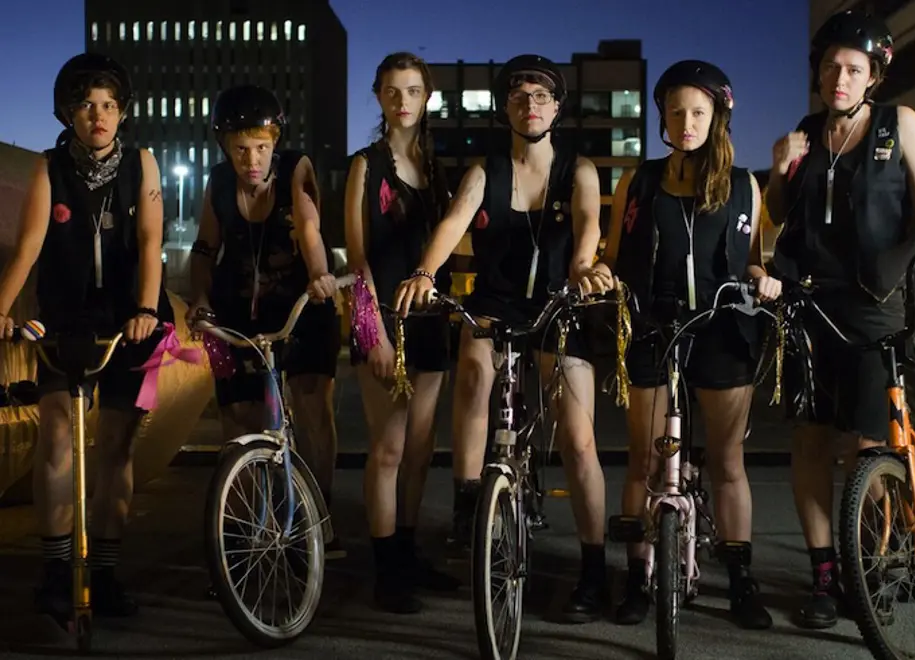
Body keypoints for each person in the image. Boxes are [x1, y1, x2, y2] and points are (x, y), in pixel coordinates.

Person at [764, 9, 915, 629]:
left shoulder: (898, 124)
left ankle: (874, 559)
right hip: (809, 302)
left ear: (874, 75)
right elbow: (776, 216)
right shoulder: (805, 133)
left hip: (875, 305)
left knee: (867, 444)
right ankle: (826, 572)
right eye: (831, 67)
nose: (840, 79)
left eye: (853, 69)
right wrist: (779, 167)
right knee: (809, 439)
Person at [395, 54, 615, 622]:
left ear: (557, 108)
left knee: (579, 440)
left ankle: (594, 571)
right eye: (519, 97)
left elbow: (588, 226)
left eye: (541, 97)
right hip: (495, 303)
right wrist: (424, 273)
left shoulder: (578, 170)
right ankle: (469, 502)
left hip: (560, 304)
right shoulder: (484, 171)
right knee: (473, 369)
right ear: (505, 109)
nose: (530, 105)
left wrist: (584, 267)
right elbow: (454, 221)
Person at [603, 60, 779, 630]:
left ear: (717, 116)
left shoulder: (744, 185)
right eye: (676, 112)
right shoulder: (638, 182)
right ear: (662, 116)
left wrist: (764, 279)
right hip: (653, 328)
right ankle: (637, 575)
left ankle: (740, 579)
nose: (686, 123)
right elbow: (613, 255)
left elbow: (754, 260)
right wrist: (600, 275)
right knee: (646, 460)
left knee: (727, 462)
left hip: (724, 331)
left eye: (698, 112)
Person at [0, 53, 173, 621]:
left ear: (122, 113)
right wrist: (0, 308)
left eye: (108, 105)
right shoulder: (50, 167)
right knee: (55, 437)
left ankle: (105, 572)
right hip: (67, 318)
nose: (98, 116)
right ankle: (56, 571)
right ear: (68, 114)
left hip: (129, 319)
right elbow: (29, 246)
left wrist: (145, 307)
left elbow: (150, 242)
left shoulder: (142, 163)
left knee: (117, 446)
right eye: (86, 106)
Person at [186, 85, 344, 557]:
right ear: (224, 146)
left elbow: (309, 227)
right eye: (240, 148)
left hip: (302, 304)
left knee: (312, 406)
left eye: (260, 147)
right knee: (238, 416)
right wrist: (199, 297)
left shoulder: (297, 169)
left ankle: (319, 522)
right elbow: (204, 248)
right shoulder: (218, 182)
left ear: (275, 141)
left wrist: (320, 274)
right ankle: (239, 532)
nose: (251, 160)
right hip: (237, 307)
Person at [344, 52, 460, 614]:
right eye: (392, 91)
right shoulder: (365, 166)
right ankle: (387, 570)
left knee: (419, 450)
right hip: (384, 322)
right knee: (388, 448)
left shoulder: (437, 169)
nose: (403, 101)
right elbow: (358, 260)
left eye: (413, 91)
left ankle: (409, 554)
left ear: (427, 97)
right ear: (379, 97)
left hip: (432, 323)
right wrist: (374, 335)